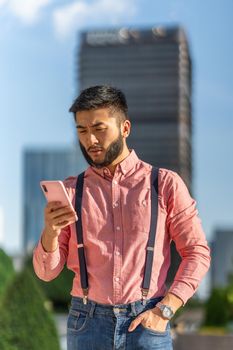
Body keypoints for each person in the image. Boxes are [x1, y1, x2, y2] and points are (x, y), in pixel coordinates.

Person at [33, 85, 211, 350]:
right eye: (82, 130)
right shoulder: (72, 191)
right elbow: (47, 273)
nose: (90, 140)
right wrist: (50, 232)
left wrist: (166, 309)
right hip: (86, 325)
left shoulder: (164, 185)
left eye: (99, 128)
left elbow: (197, 253)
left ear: (125, 128)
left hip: (147, 322)